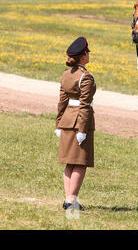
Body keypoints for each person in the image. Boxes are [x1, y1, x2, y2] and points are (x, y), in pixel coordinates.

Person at [55, 36, 96, 210]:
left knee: (69, 163)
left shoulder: (66, 75)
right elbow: (85, 105)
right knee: (80, 162)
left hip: (66, 121)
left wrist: (58, 123)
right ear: (83, 56)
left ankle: (68, 199)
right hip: (79, 121)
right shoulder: (86, 77)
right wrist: (83, 129)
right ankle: (72, 201)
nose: (88, 55)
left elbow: (61, 102)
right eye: (87, 52)